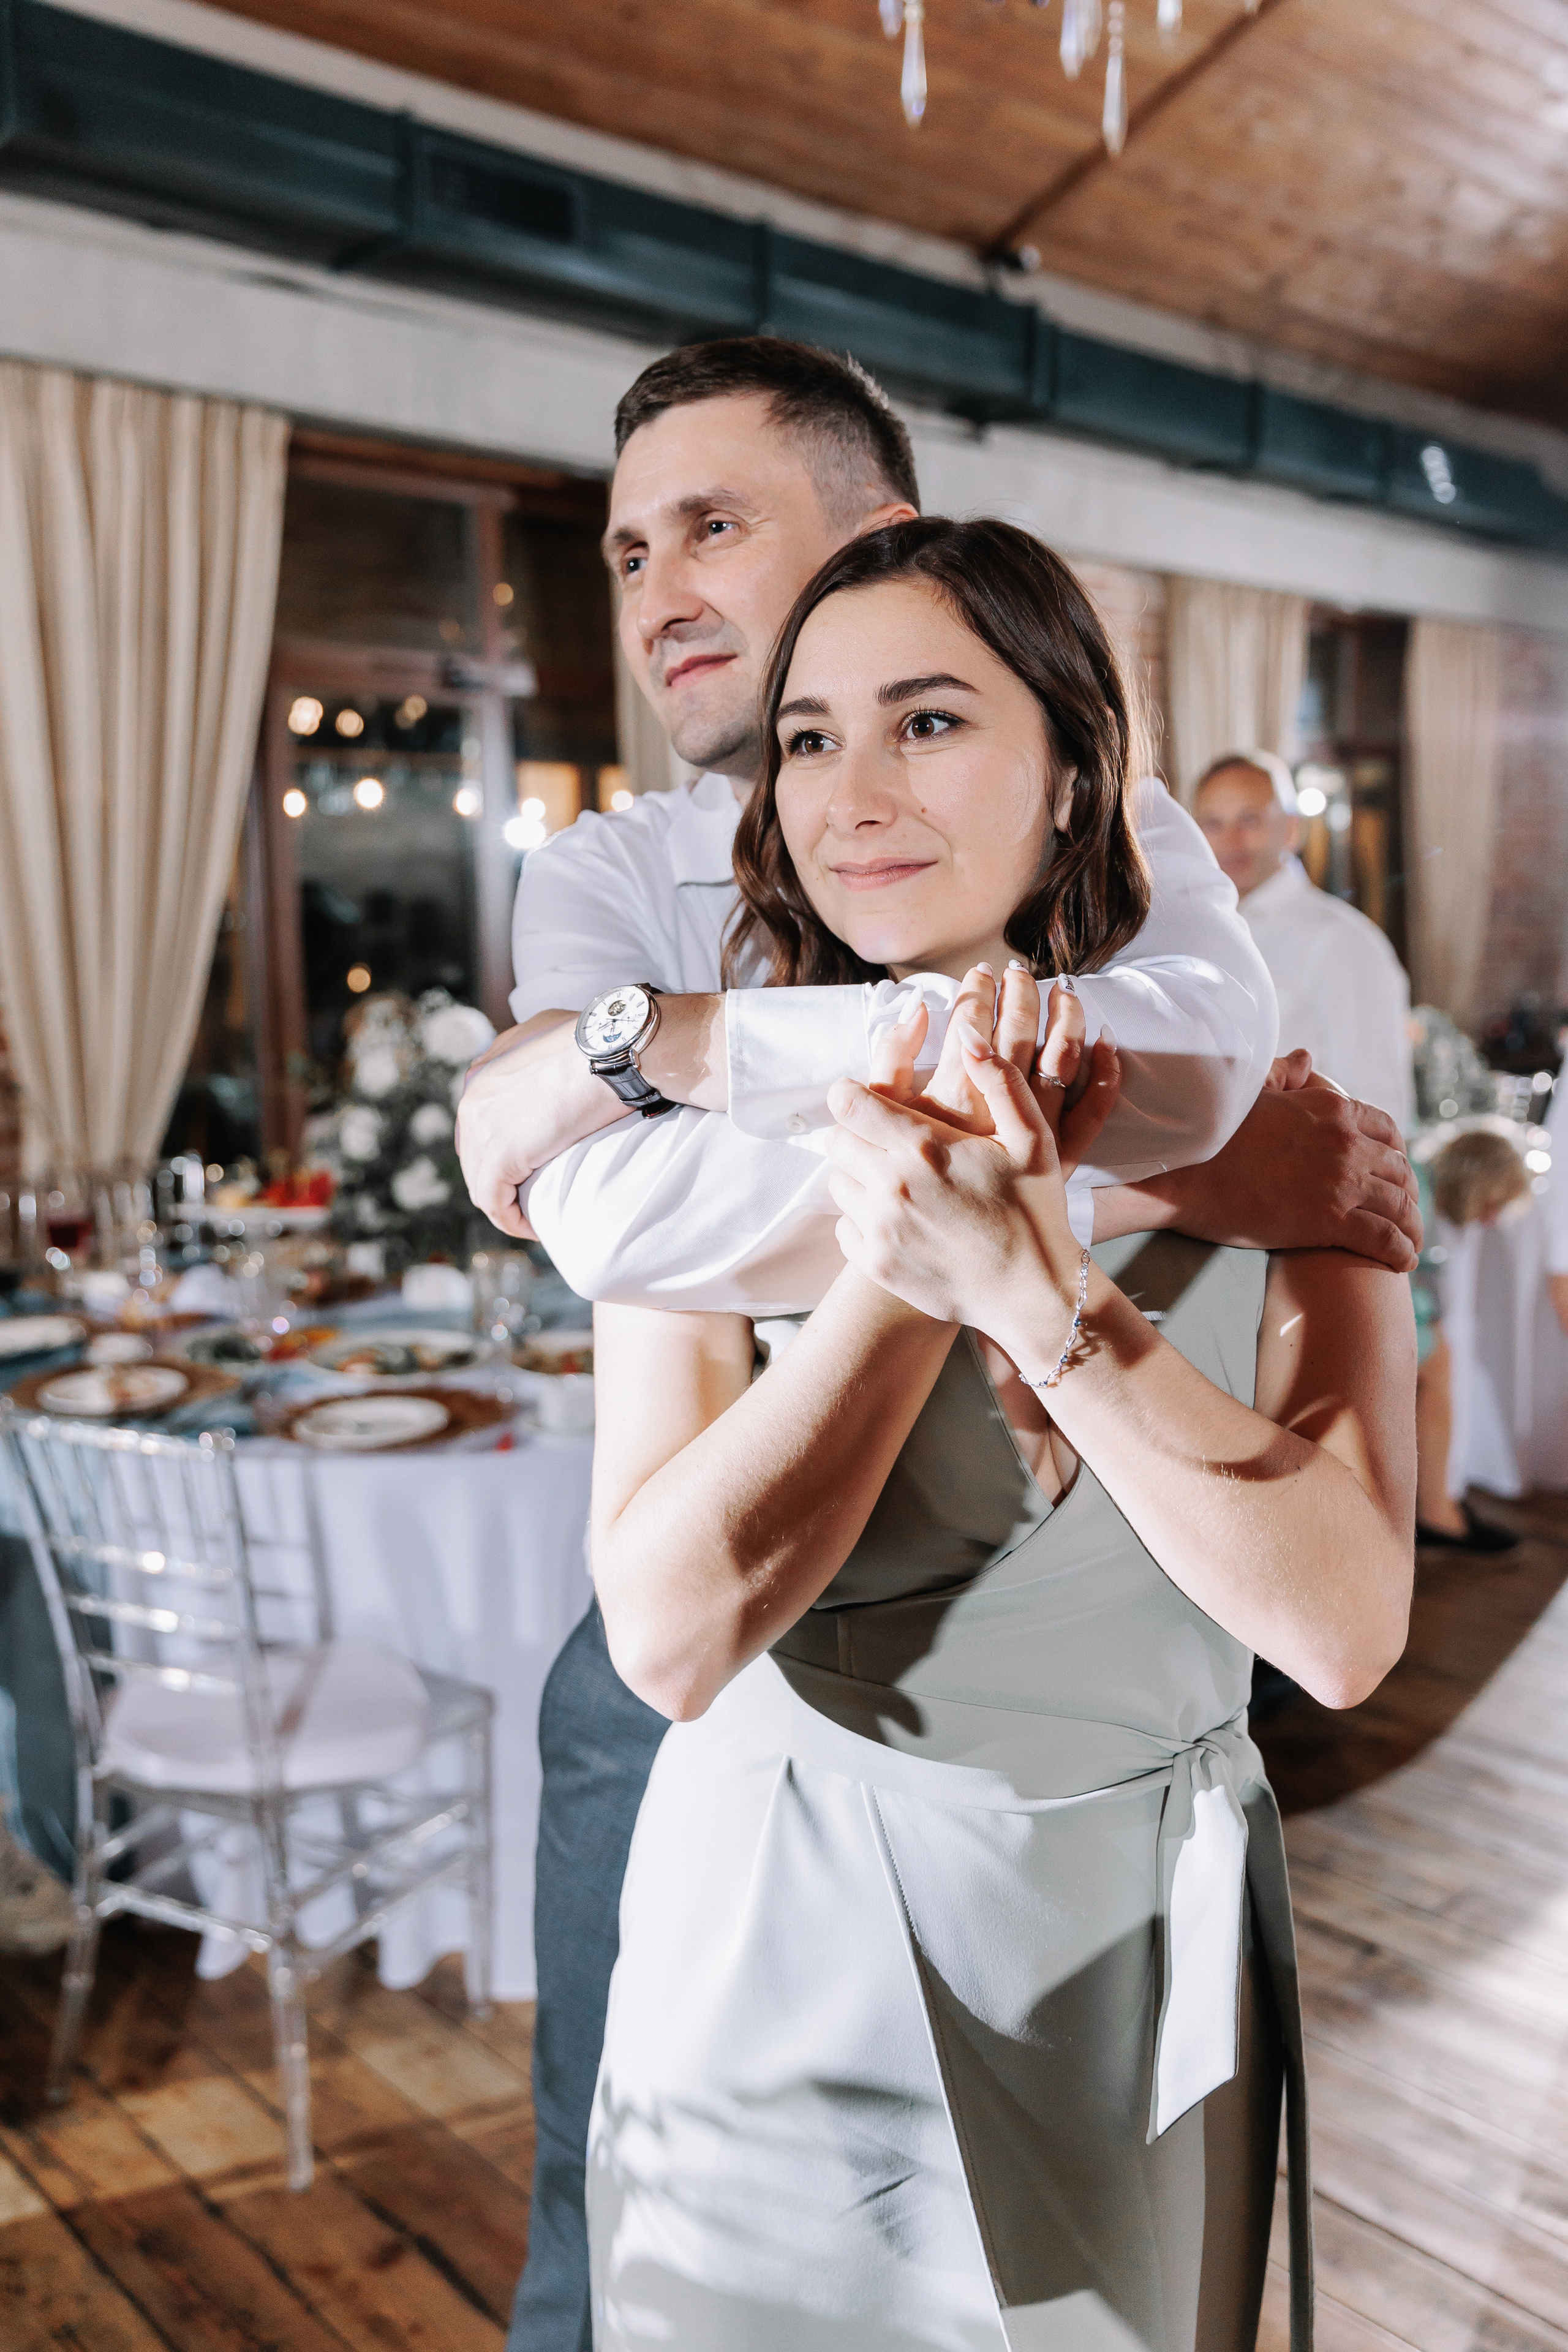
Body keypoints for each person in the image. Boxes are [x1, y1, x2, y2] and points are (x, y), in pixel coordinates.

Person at [458, 339, 1420, 2352]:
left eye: (924, 719)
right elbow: (661, 1626)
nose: (848, 786)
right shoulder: (676, 1061)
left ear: (1085, 771)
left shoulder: (1295, 1122)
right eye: (812, 742)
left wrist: (1041, 1273)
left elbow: (1344, 1636)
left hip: (1139, 1954)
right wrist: (927, 1210)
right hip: (783, 1942)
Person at [1193, 749, 1415, 1133]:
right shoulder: (1193, 936)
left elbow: (1380, 1111)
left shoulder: (1345, 942)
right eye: (1213, 824)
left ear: (1292, 829)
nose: (1231, 840)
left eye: (1250, 820)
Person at [1411, 1127, 1529, 1551]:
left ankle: (1437, 1503)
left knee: (1442, 1358)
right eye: (1493, 1204)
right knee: (1439, 1363)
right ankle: (1436, 1510)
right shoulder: (1415, 1190)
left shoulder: (1423, 1187)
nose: (1491, 1219)